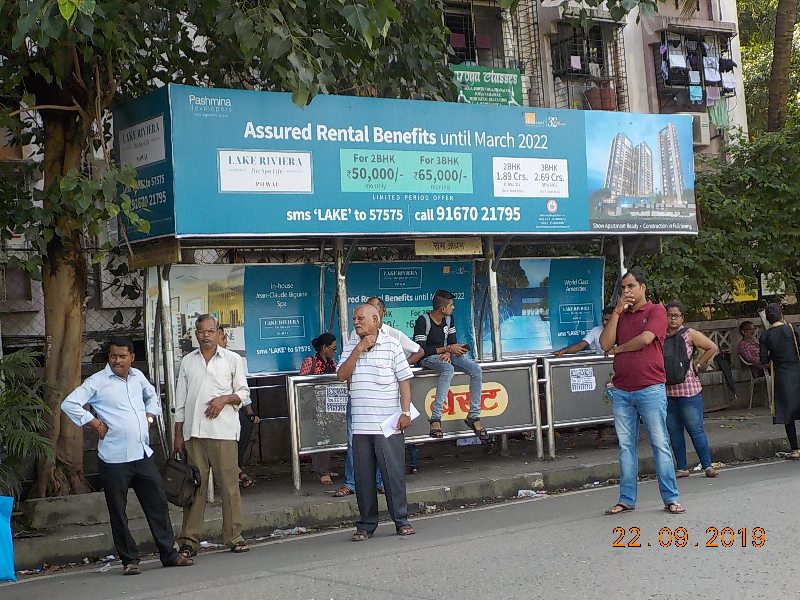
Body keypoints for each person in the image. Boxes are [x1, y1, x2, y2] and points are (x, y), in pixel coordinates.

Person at [61, 337, 194, 575]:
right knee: (118, 512)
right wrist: (94, 423)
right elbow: (69, 403)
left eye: (122, 356)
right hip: (114, 459)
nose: (117, 361)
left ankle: (169, 554)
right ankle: (129, 560)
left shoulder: (137, 377)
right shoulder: (97, 381)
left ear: (131, 357)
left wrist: (150, 417)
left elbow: (152, 396)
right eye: (113, 356)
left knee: (157, 505)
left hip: (141, 454)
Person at [599, 268, 684, 515]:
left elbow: (645, 339)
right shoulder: (621, 315)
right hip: (622, 390)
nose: (626, 291)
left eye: (631, 286)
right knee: (626, 447)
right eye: (623, 288)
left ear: (642, 287)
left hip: (650, 388)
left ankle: (671, 498)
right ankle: (626, 499)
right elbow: (604, 344)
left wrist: (618, 350)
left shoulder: (656, 311)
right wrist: (616, 312)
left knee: (660, 444)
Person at [337, 304, 415, 540]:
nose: (356, 322)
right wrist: (359, 349)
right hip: (361, 425)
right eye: (354, 318)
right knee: (363, 478)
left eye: (360, 318)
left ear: (375, 320)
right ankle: (366, 524)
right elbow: (341, 375)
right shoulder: (352, 345)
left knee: (393, 475)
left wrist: (405, 412)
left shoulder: (391, 344)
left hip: (388, 423)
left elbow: (404, 381)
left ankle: (401, 520)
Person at [174, 314, 251, 555]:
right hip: (194, 433)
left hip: (223, 432)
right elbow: (180, 400)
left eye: (210, 331)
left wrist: (224, 399)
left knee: (229, 487)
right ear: (195, 334)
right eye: (201, 331)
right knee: (195, 488)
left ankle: (234, 536)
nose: (205, 335)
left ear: (218, 333)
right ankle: (189, 540)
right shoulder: (188, 362)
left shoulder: (232, 359)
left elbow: (244, 393)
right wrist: (178, 434)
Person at [414, 289, 487, 441]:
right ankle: (435, 419)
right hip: (427, 358)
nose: (453, 307)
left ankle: (473, 415)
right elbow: (421, 350)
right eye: (451, 305)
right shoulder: (423, 321)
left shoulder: (449, 319)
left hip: (445, 354)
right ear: (443, 308)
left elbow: (452, 341)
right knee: (448, 369)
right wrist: (446, 349)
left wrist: (449, 351)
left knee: (476, 369)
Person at [663, 301, 720, 479]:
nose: (672, 319)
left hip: (689, 391)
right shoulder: (659, 335)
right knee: (674, 432)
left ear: (682, 318)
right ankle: (682, 467)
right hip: (667, 391)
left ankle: (707, 465)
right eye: (669, 315)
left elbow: (712, 347)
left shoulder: (690, 334)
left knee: (695, 429)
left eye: (676, 315)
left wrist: (698, 365)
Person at [553, 306, 615, 448]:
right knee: (602, 402)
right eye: (603, 319)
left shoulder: (624, 330)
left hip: (621, 372)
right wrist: (565, 351)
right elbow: (582, 344)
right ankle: (601, 436)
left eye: (608, 320)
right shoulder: (596, 330)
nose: (605, 322)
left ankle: (624, 437)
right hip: (603, 373)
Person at [217, 326, 260, 489]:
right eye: (222, 337)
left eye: (224, 337)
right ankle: (235, 471)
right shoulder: (201, 361)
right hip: (215, 410)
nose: (225, 341)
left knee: (245, 424)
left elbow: (243, 390)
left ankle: (236, 467)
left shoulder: (233, 359)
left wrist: (250, 413)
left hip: (233, 406)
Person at [759, 303, 800, 460]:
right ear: (781, 314)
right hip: (797, 370)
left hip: (781, 376)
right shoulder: (792, 328)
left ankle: (795, 449)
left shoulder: (765, 335)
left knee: (788, 414)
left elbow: (763, 359)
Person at [299, 333, 338, 485]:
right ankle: (321, 470)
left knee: (329, 436)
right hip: (314, 407)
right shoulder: (310, 361)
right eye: (333, 348)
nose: (334, 351)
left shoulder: (332, 363)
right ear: (324, 348)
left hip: (330, 406)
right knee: (320, 437)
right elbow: (301, 384)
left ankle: (325, 467)